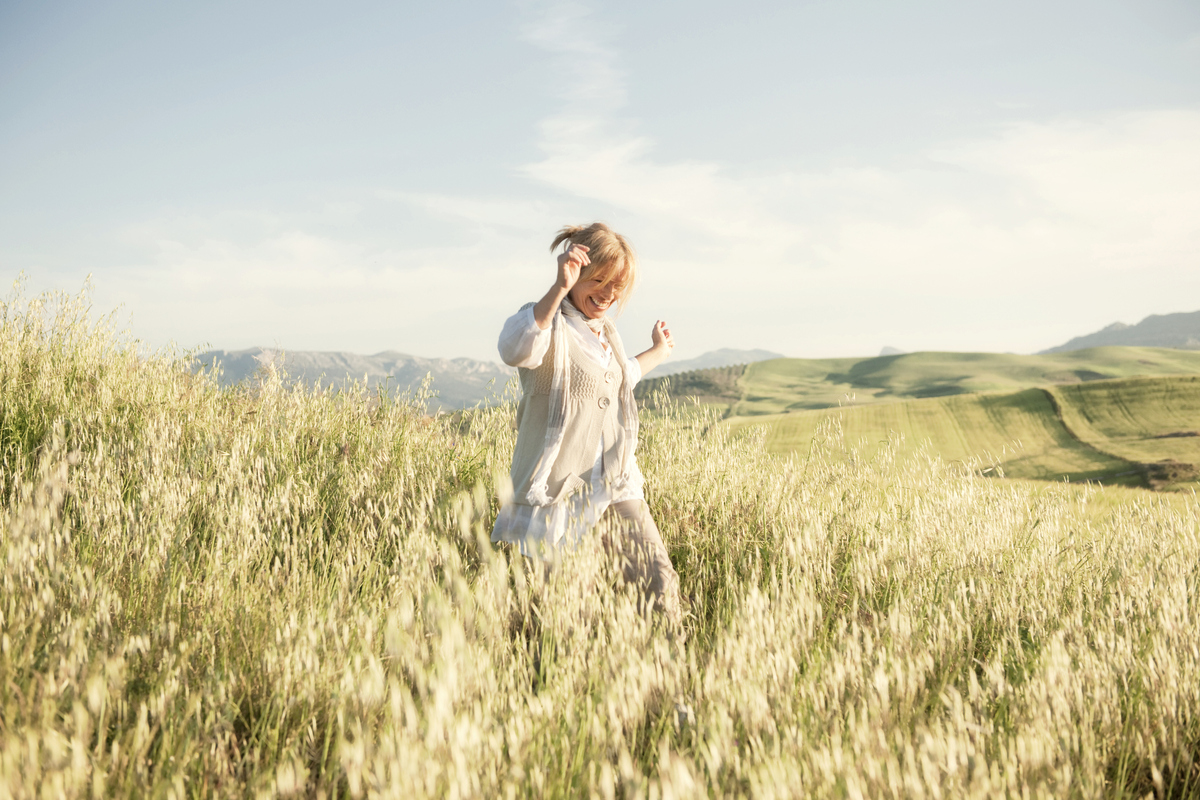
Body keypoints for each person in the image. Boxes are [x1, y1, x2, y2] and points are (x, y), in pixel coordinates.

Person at [492, 222, 682, 627]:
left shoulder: (606, 333)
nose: (609, 294)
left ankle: (668, 686)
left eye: (618, 286)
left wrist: (659, 352)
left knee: (660, 583)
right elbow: (513, 347)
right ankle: (546, 684)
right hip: (556, 493)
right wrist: (558, 288)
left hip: (614, 484)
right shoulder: (548, 325)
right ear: (577, 273)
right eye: (599, 280)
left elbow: (618, 379)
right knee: (554, 615)